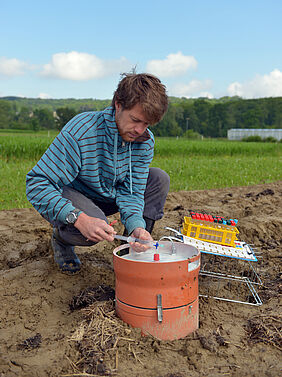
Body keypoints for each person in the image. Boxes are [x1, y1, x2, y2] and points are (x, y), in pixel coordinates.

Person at [26, 73, 170, 273]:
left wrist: (137, 225)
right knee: (92, 228)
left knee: (158, 179)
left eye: (146, 124)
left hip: (107, 195)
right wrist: (79, 218)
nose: (139, 130)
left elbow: (131, 192)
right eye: (136, 120)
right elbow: (36, 184)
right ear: (118, 104)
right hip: (73, 196)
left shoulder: (144, 141)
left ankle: (131, 249)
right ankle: (61, 239)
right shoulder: (82, 132)